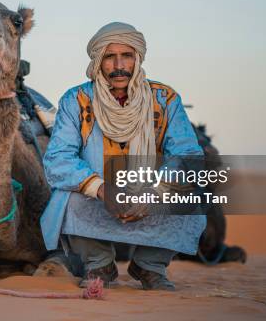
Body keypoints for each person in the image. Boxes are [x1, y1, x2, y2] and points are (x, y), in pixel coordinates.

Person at [40, 22, 206, 291]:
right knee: (65, 198)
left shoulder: (165, 99)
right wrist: (102, 189)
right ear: (98, 61)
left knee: (192, 196)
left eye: (126, 55)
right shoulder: (76, 100)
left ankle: (149, 267)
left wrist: (154, 192)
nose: (119, 65)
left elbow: (188, 155)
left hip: (149, 193)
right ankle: (100, 264)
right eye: (109, 56)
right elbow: (58, 158)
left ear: (137, 58)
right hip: (98, 194)